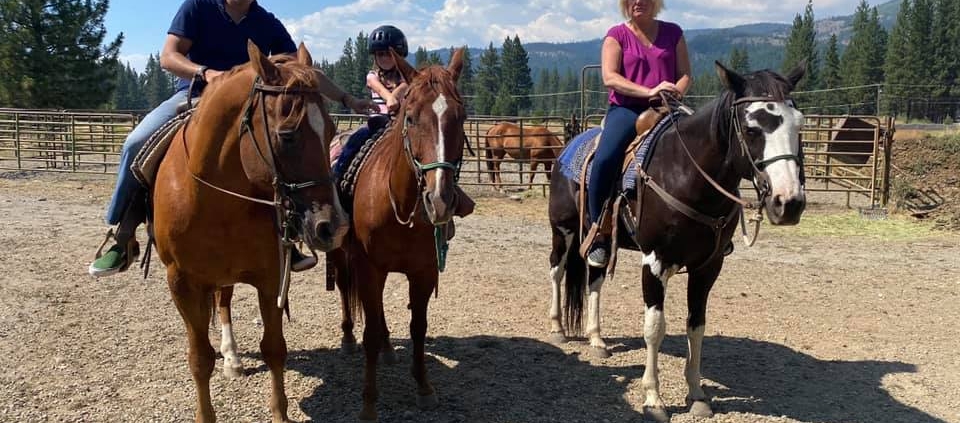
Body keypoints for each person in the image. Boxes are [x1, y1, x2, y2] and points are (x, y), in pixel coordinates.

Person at [88, 0, 375, 278]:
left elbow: (301, 71)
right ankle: (123, 234)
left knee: (278, 156)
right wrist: (205, 73)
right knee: (136, 143)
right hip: (194, 95)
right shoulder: (197, 7)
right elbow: (169, 56)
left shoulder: (266, 22)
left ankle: (284, 235)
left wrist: (347, 99)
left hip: (247, 106)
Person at [585, 0, 692, 268]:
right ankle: (598, 231)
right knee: (605, 158)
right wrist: (649, 91)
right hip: (627, 109)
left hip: (667, 107)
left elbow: (685, 74)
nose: (638, 1)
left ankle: (717, 224)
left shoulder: (674, 33)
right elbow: (610, 77)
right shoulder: (617, 35)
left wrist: (676, 92)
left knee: (706, 145)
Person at [334, 24, 409, 178]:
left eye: (390, 54)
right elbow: (381, 91)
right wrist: (391, 98)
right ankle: (337, 175)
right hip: (377, 123)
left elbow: (404, 87)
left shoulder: (407, 79)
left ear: (399, 55)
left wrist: (395, 96)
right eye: (380, 54)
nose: (385, 58)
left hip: (401, 125)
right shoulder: (372, 76)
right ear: (375, 56)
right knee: (353, 142)